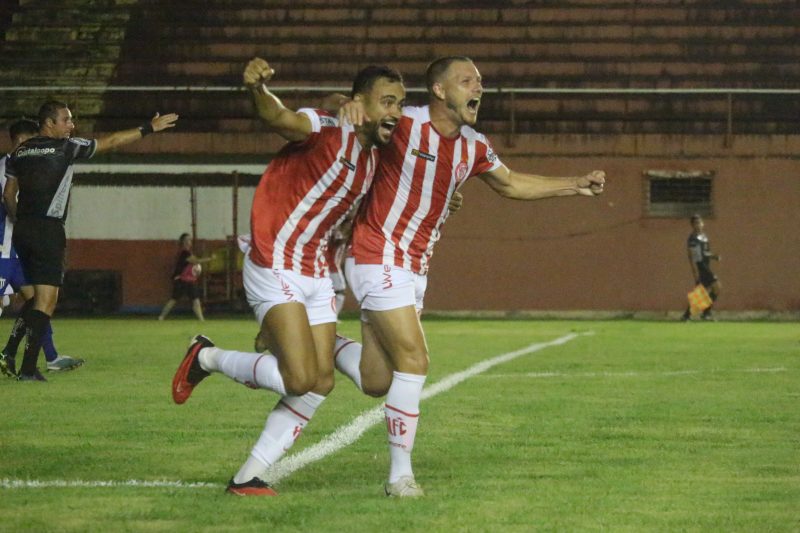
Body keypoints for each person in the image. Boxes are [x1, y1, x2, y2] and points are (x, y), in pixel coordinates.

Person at [330, 56, 606, 497]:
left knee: (376, 381)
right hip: (377, 254)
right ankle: (399, 476)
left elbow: (511, 183)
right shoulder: (404, 123)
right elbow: (358, 109)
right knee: (415, 361)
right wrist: (343, 104)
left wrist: (575, 184)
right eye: (467, 80)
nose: (478, 87)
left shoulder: (474, 145)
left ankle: (320, 342)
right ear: (439, 91)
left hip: (414, 266)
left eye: (479, 81)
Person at [171, 57, 405, 496]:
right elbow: (279, 116)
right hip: (274, 261)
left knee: (320, 384)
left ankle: (246, 478)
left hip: (316, 271)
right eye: (387, 101)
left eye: (400, 103)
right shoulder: (324, 128)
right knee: (299, 379)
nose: (395, 111)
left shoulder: (374, 157)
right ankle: (206, 357)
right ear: (361, 103)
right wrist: (258, 90)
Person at [3, 101, 178, 381]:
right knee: (47, 302)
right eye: (66, 120)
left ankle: (15, 357)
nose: (71, 126)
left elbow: (9, 193)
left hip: (24, 230)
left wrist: (19, 221)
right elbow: (111, 141)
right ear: (49, 123)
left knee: (37, 299)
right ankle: (27, 369)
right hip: (48, 229)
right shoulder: (66, 147)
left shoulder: (19, 152)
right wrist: (148, 128)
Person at [0, 119, 84, 377]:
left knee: (39, 301)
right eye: (25, 143)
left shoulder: (30, 162)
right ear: (16, 143)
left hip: (21, 249)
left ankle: (40, 355)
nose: (30, 148)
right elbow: (8, 198)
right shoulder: (9, 166)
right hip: (4, 250)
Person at [158, 233, 213, 321]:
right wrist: (209, 259)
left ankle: (201, 319)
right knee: (174, 299)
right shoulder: (184, 253)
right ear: (183, 242)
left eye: (190, 240)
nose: (190, 241)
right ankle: (161, 317)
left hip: (190, 280)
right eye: (188, 240)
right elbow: (196, 261)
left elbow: (195, 261)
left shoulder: (189, 253)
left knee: (196, 299)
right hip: (181, 280)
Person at [681, 214, 721, 321]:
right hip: (702, 267)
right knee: (717, 287)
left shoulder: (704, 236)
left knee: (701, 292)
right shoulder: (693, 239)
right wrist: (695, 271)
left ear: (703, 223)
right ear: (692, 225)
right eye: (696, 223)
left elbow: (705, 252)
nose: (698, 225)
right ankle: (706, 313)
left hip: (706, 265)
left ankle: (687, 315)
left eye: (700, 222)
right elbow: (692, 256)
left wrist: (714, 256)